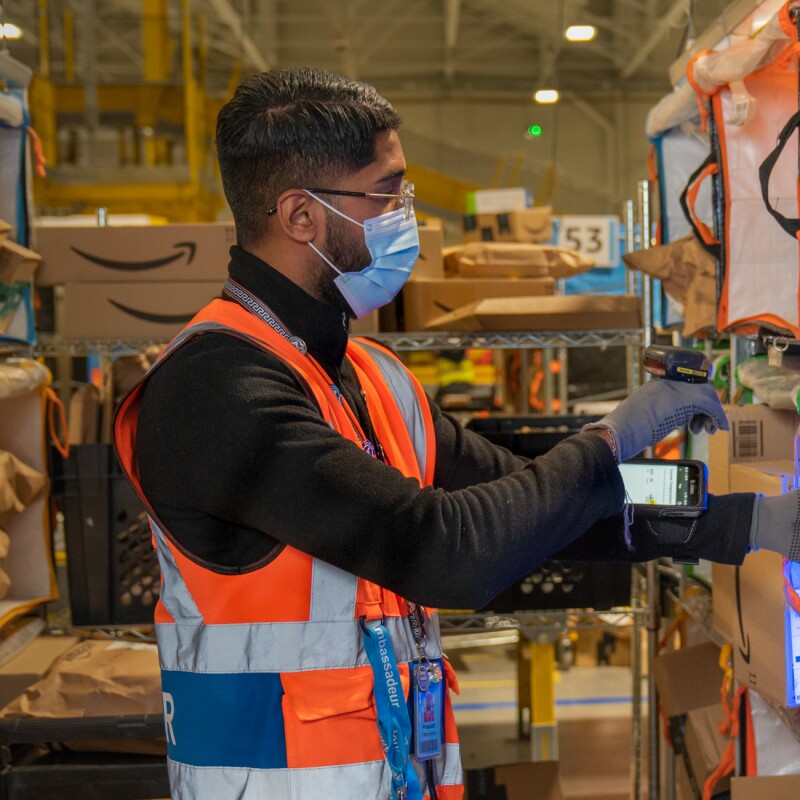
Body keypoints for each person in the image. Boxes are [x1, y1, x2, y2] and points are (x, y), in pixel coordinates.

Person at [113, 67, 799, 800]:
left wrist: (743, 520)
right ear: (299, 215)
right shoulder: (216, 391)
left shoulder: (367, 374)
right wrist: (608, 439)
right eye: (386, 194)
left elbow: (530, 504)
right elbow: (445, 550)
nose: (405, 215)